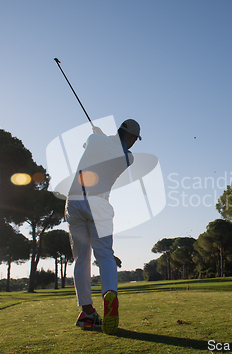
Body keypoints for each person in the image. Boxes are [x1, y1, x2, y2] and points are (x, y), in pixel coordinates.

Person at [65, 119, 141, 334]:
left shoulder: (94, 139)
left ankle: (87, 312)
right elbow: (113, 149)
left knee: (81, 259)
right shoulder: (128, 158)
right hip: (98, 205)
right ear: (133, 138)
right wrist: (103, 137)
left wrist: (99, 134)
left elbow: (89, 147)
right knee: (105, 255)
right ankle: (110, 293)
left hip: (74, 201)